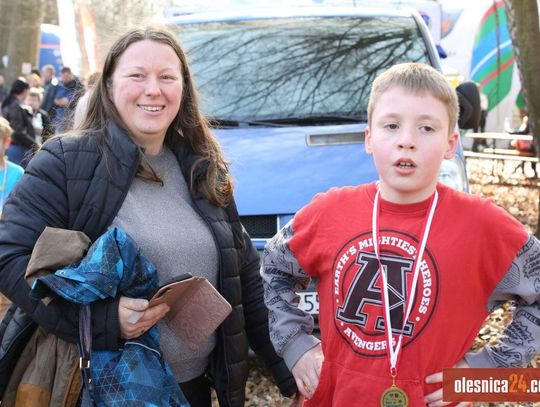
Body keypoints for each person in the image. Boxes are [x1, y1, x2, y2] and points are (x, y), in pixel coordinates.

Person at [0, 26, 297, 407]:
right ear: (109, 87)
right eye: (137, 76)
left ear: (183, 89)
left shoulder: (202, 168)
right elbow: (10, 257)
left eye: (167, 77)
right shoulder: (65, 162)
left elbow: (245, 283)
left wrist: (290, 371)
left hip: (191, 390)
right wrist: (103, 320)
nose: (153, 90)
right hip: (98, 391)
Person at [261, 63, 540, 406]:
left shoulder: (485, 227)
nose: (406, 141)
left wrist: (481, 378)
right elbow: (273, 267)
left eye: (426, 128)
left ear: (450, 143)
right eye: (391, 125)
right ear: (369, 138)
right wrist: (295, 345)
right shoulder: (328, 211)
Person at [1, 78, 36, 167]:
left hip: (12, 146)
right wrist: (34, 143)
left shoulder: (9, 103)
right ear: (24, 91)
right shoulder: (14, 105)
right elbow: (17, 131)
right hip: (17, 148)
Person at [52, 66, 83, 132]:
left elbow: (69, 102)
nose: (64, 78)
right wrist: (62, 101)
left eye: (66, 76)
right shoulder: (60, 85)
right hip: (59, 119)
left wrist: (61, 101)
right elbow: (55, 100)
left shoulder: (77, 86)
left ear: (71, 74)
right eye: (63, 76)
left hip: (70, 119)